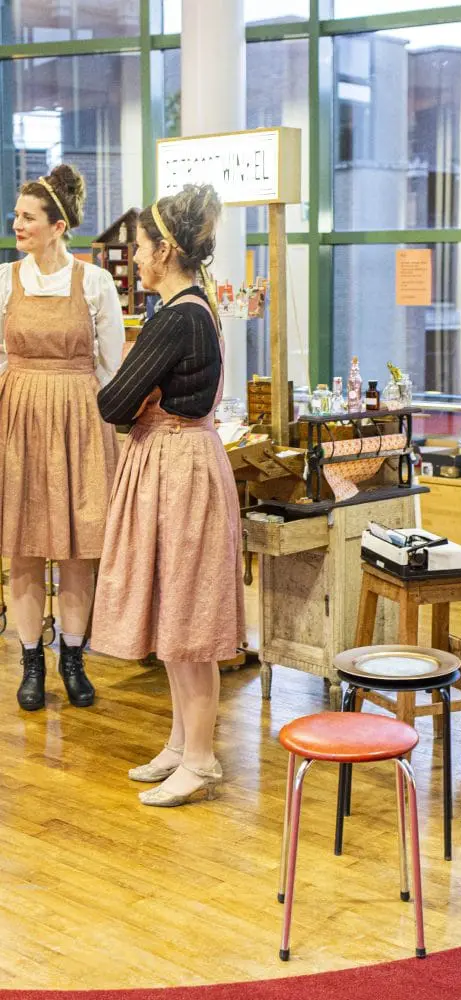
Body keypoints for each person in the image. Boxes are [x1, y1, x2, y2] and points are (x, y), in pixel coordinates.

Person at [91, 184, 245, 808]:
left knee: (189, 616)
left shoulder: (179, 316)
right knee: (177, 610)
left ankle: (201, 758)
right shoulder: (190, 308)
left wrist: (138, 395)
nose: (134, 256)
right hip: (176, 462)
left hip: (178, 468)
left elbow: (112, 402)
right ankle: (182, 743)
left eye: (141, 245)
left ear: (165, 250)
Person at [0, 164, 124, 711]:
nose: (17, 224)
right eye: (16, 215)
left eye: (28, 217)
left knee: (78, 549)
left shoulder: (93, 282)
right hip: (19, 420)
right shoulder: (5, 279)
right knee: (23, 548)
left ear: (57, 226)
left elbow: (112, 366)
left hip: (79, 420)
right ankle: (31, 661)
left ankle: (73, 656)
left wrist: (106, 429)